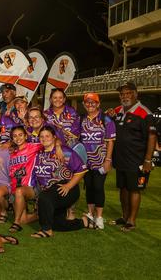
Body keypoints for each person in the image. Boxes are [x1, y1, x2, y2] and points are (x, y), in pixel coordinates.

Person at [108, 82, 157, 232]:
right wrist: (109, 114)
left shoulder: (144, 112)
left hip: (137, 161)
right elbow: (105, 118)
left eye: (128, 93)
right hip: (121, 159)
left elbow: (152, 137)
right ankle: (124, 216)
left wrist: (148, 160)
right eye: (122, 94)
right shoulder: (118, 110)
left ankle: (131, 221)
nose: (125, 96)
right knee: (123, 188)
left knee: (134, 189)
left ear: (136, 94)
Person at [29, 126, 90, 238]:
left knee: (44, 197)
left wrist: (68, 186)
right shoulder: (39, 152)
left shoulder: (64, 151)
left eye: (47, 136)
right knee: (57, 225)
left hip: (66, 189)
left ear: (54, 138)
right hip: (52, 194)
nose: (44, 138)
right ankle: (84, 222)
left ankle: (46, 230)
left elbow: (82, 170)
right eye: (41, 136)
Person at [80, 93, 116, 229]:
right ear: (84, 104)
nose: (90, 105)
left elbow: (110, 142)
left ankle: (99, 216)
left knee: (98, 187)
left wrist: (108, 160)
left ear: (98, 103)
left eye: (93, 102)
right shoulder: (81, 119)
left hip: (101, 161)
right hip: (86, 161)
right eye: (87, 102)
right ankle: (90, 213)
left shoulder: (106, 119)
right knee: (89, 187)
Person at [8, 126, 40, 233]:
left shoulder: (33, 147)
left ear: (26, 136)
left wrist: (58, 146)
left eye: (20, 135)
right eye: (15, 136)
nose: (18, 138)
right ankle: (41, 213)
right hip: (15, 187)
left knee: (19, 191)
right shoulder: (12, 153)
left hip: (30, 187)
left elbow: (50, 141)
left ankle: (16, 223)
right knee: (24, 220)